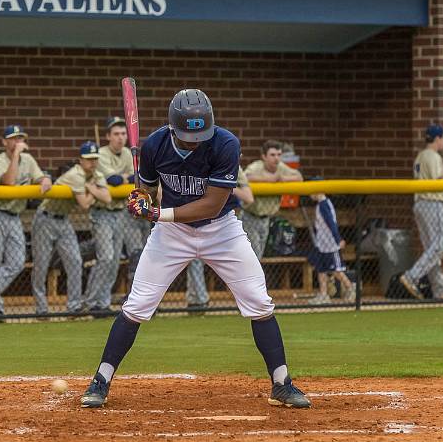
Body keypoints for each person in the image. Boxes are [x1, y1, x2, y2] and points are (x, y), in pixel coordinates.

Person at [80, 89, 310, 410]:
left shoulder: (226, 143)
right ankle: (101, 381)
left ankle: (282, 384)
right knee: (137, 306)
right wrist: (143, 198)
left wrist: (158, 212)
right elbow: (146, 186)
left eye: (199, 135)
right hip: (171, 236)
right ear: (173, 127)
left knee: (260, 302)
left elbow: (212, 205)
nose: (194, 141)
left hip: (222, 230)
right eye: (187, 136)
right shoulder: (155, 145)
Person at [0, 125, 52, 318]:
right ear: (4, 142)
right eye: (13, 138)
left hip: (14, 215)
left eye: (20, 138)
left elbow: (40, 176)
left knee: (17, 262)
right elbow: (9, 181)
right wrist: (16, 154)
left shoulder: (29, 160)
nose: (17, 141)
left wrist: (45, 180)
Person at [33, 141, 111, 314]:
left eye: (95, 158)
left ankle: (74, 306)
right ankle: (41, 308)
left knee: (75, 261)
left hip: (64, 220)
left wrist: (91, 190)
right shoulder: (76, 174)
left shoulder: (96, 174)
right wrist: (93, 191)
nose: (92, 162)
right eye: (88, 159)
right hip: (45, 218)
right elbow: (84, 204)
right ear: (80, 160)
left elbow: (107, 198)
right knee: (41, 265)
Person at [399, 125, 443, 300]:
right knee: (439, 245)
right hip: (432, 203)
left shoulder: (420, 156)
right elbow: (439, 182)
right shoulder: (432, 156)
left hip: (420, 204)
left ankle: (440, 290)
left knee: (432, 249)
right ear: (437, 139)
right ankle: (412, 276)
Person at [84, 117, 136, 313]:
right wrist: (122, 178)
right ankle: (91, 302)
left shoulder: (128, 154)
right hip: (102, 213)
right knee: (105, 257)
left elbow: (134, 177)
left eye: (123, 133)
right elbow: (113, 181)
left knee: (114, 261)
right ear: (108, 136)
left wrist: (120, 178)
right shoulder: (101, 154)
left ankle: (102, 303)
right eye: (116, 134)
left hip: (120, 212)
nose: (120, 138)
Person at [186, 165, 253, 309]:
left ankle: (247, 301)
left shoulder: (237, 169)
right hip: (199, 220)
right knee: (195, 261)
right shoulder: (199, 161)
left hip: (229, 224)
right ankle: (198, 300)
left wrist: (224, 186)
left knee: (243, 263)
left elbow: (249, 198)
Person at [243, 141, 303, 259]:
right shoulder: (256, 166)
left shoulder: (281, 167)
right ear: (264, 156)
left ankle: (254, 277)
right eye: (272, 155)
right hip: (250, 217)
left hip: (266, 219)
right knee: (254, 255)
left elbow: (299, 177)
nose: (276, 158)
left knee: (258, 256)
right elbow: (245, 178)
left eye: (279, 154)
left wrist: (283, 178)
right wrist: (270, 179)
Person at [306, 187, 356, 305]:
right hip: (322, 244)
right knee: (321, 270)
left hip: (330, 244)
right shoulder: (320, 205)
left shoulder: (324, 205)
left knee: (336, 270)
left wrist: (338, 239)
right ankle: (324, 294)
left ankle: (350, 288)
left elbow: (331, 223)